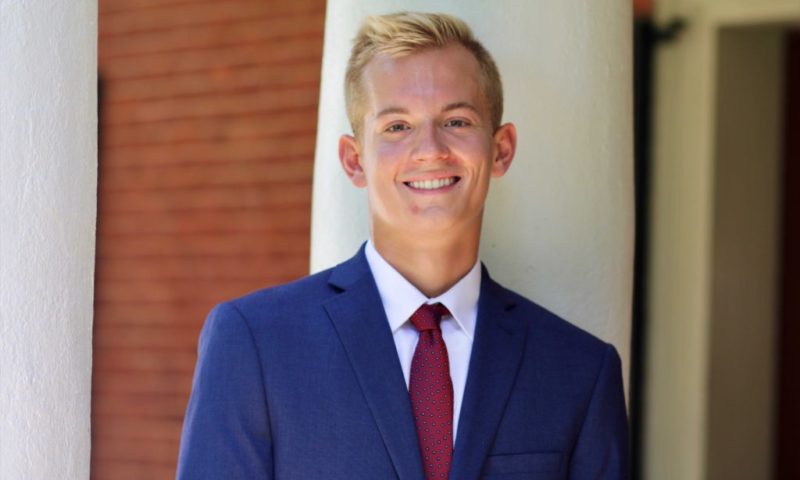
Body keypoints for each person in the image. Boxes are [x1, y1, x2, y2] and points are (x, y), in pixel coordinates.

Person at [177, 11, 628, 479]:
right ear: (354, 161)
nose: (430, 149)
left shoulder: (580, 371)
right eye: (397, 127)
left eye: (456, 120)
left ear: (501, 149)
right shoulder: (255, 343)